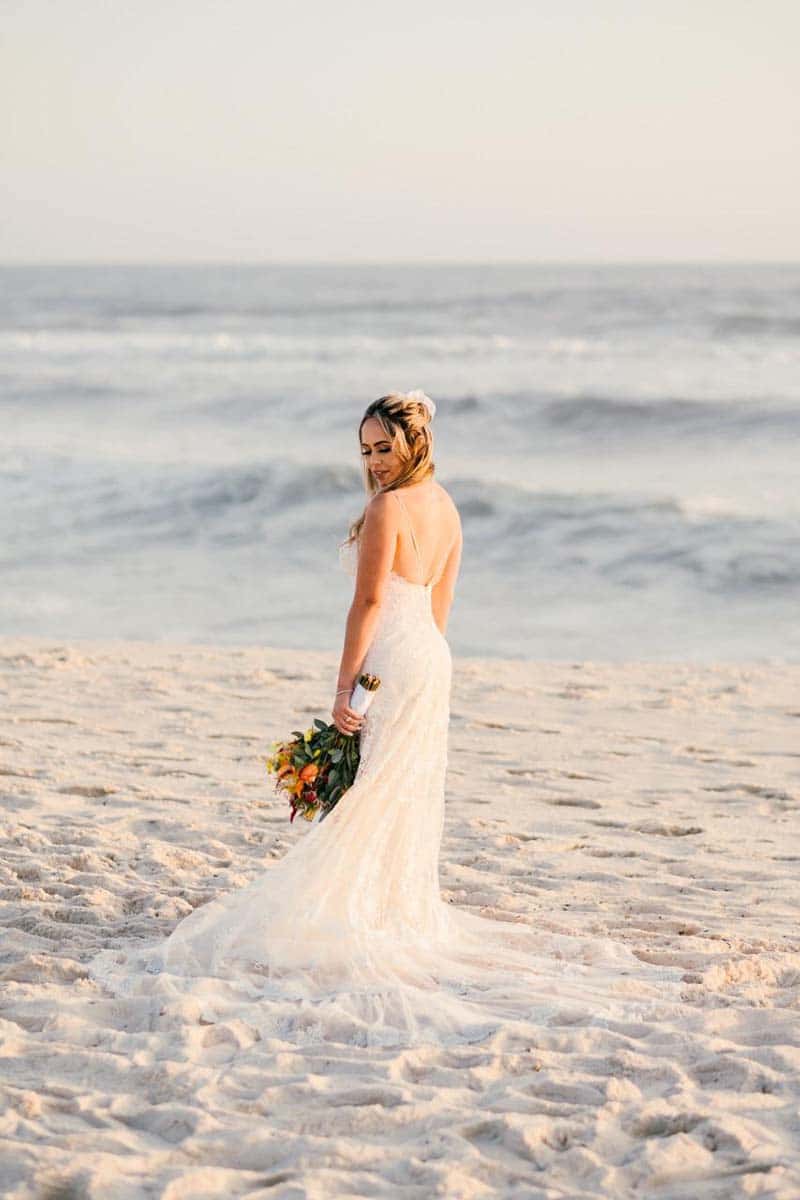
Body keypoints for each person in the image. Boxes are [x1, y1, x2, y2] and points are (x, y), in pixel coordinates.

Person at [88, 390, 686, 1049]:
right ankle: (391, 907)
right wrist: (419, 663)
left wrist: (346, 684)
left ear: (414, 443)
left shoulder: (388, 508)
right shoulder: (448, 505)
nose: (374, 461)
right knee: (397, 790)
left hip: (393, 660)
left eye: (384, 448)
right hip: (431, 657)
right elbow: (441, 603)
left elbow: (368, 603)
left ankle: (365, 911)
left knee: (373, 791)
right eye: (366, 450)